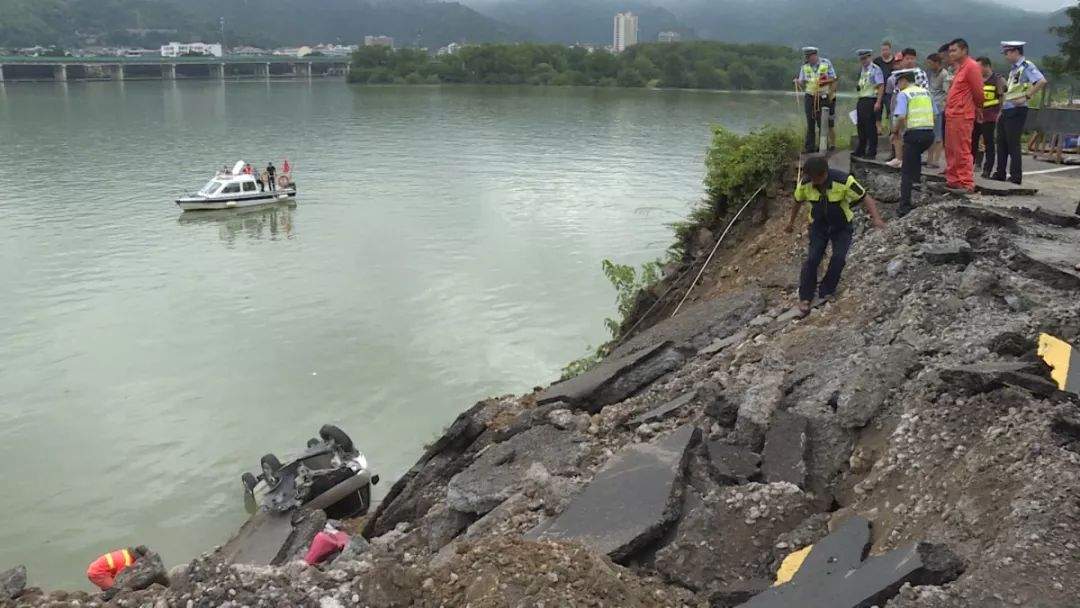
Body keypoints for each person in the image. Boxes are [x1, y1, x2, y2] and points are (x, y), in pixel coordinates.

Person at [786, 155, 885, 317]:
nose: (812, 181)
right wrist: (790, 223)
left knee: (839, 258)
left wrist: (877, 219)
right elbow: (797, 201)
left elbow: (865, 197)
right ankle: (805, 296)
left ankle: (827, 290)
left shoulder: (844, 180)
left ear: (824, 173)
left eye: (814, 178)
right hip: (818, 225)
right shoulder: (805, 184)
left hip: (841, 226)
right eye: (809, 178)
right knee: (812, 258)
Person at [994, 41, 1048, 185]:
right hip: (1007, 108)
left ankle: (1016, 176)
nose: (1006, 56)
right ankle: (1000, 172)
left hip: (1017, 109)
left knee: (1013, 143)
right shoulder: (1014, 69)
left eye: (1007, 53)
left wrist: (1027, 96)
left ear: (1016, 52)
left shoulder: (1026, 66)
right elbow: (1011, 89)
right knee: (1001, 141)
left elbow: (1041, 81)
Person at [891, 69, 936, 217]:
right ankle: (917, 191)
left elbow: (901, 116)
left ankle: (904, 207)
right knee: (915, 159)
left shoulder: (904, 94)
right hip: (929, 134)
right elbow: (935, 114)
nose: (898, 85)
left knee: (906, 171)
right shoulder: (925, 92)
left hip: (914, 133)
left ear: (904, 81)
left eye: (898, 82)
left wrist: (896, 132)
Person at [944, 38, 984, 193]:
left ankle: (966, 182)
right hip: (952, 113)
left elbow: (979, 92)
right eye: (950, 51)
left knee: (961, 148)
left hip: (962, 114)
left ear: (964, 50)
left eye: (954, 50)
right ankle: (953, 179)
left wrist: (978, 108)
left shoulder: (972, 67)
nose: (951, 53)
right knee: (951, 148)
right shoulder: (960, 68)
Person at [884, 49, 929, 167]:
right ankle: (898, 157)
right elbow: (895, 89)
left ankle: (906, 158)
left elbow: (924, 90)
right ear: (902, 60)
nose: (909, 61)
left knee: (907, 132)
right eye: (907, 58)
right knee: (896, 130)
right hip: (898, 100)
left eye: (912, 58)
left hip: (913, 104)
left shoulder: (920, 73)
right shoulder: (898, 73)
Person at [795, 47, 838, 153]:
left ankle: (823, 146)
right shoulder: (804, 67)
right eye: (807, 57)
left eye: (810, 57)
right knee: (810, 121)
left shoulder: (826, 63)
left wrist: (824, 82)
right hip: (810, 96)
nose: (808, 59)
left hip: (823, 96)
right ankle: (810, 147)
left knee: (822, 122)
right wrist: (797, 81)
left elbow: (834, 78)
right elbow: (802, 81)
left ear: (815, 55)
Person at [973, 57, 1005, 179]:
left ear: (986, 66)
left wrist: (1000, 113)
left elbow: (1002, 97)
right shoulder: (977, 79)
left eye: (979, 67)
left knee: (988, 143)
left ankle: (987, 169)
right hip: (977, 115)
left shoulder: (997, 79)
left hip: (991, 116)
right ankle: (971, 165)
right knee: (973, 141)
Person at [854, 49, 885, 159]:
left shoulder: (875, 69)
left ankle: (872, 151)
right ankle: (861, 149)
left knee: (870, 127)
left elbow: (881, 85)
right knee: (861, 126)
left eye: (865, 58)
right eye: (862, 59)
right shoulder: (862, 70)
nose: (864, 61)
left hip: (871, 99)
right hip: (862, 99)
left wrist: (878, 102)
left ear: (870, 57)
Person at [926, 53, 948, 168]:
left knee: (938, 135)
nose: (929, 65)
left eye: (930, 63)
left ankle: (936, 160)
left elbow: (946, 92)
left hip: (939, 107)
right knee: (931, 134)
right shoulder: (931, 74)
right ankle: (929, 159)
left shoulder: (944, 74)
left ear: (936, 63)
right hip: (930, 106)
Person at [874, 41, 897, 133]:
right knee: (877, 110)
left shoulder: (895, 61)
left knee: (890, 109)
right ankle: (878, 128)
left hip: (890, 90)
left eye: (886, 50)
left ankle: (891, 128)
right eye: (883, 50)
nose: (884, 52)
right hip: (879, 88)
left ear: (890, 50)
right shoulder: (877, 61)